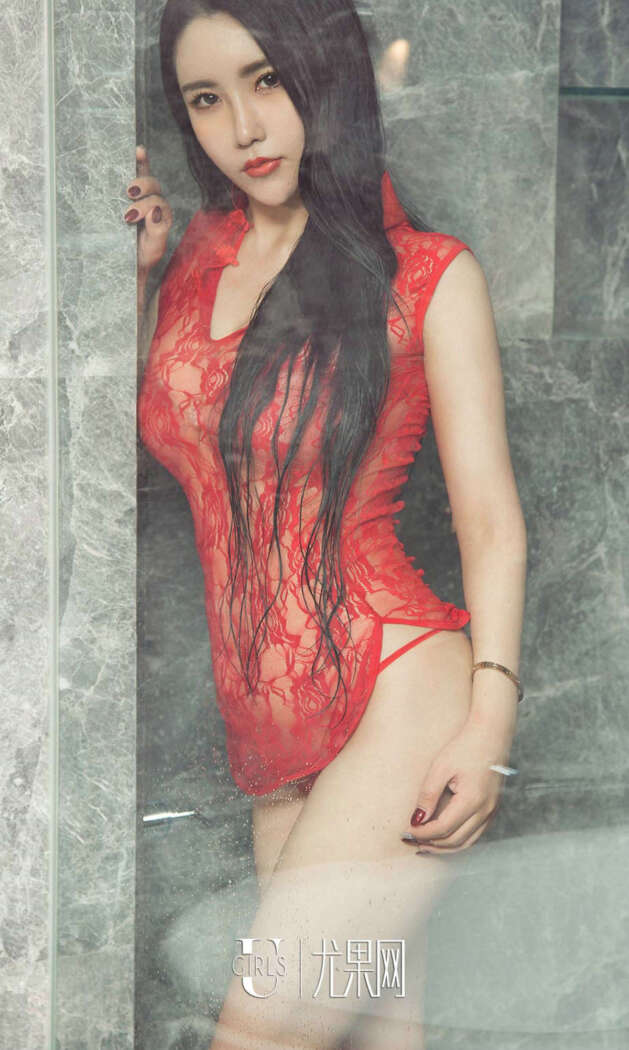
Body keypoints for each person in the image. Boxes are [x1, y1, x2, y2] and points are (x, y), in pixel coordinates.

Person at [128, 1, 527, 1046]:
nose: (242, 128)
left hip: (396, 701)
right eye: (205, 99)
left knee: (257, 1034)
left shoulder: (426, 274)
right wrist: (136, 284)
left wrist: (487, 727)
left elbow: (488, 518)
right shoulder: (193, 264)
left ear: (327, 77)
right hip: (271, 745)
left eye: (266, 81)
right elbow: (180, 438)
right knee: (376, 1036)